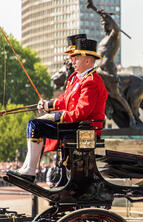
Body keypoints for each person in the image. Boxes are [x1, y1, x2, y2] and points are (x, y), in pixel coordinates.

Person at [9, 38, 108, 182]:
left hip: (84, 129)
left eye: (76, 58)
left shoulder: (91, 81)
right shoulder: (78, 78)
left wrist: (54, 117)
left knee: (35, 125)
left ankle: (30, 171)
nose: (72, 61)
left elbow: (81, 113)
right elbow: (66, 100)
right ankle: (27, 168)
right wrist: (48, 105)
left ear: (87, 61)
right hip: (76, 127)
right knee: (35, 124)